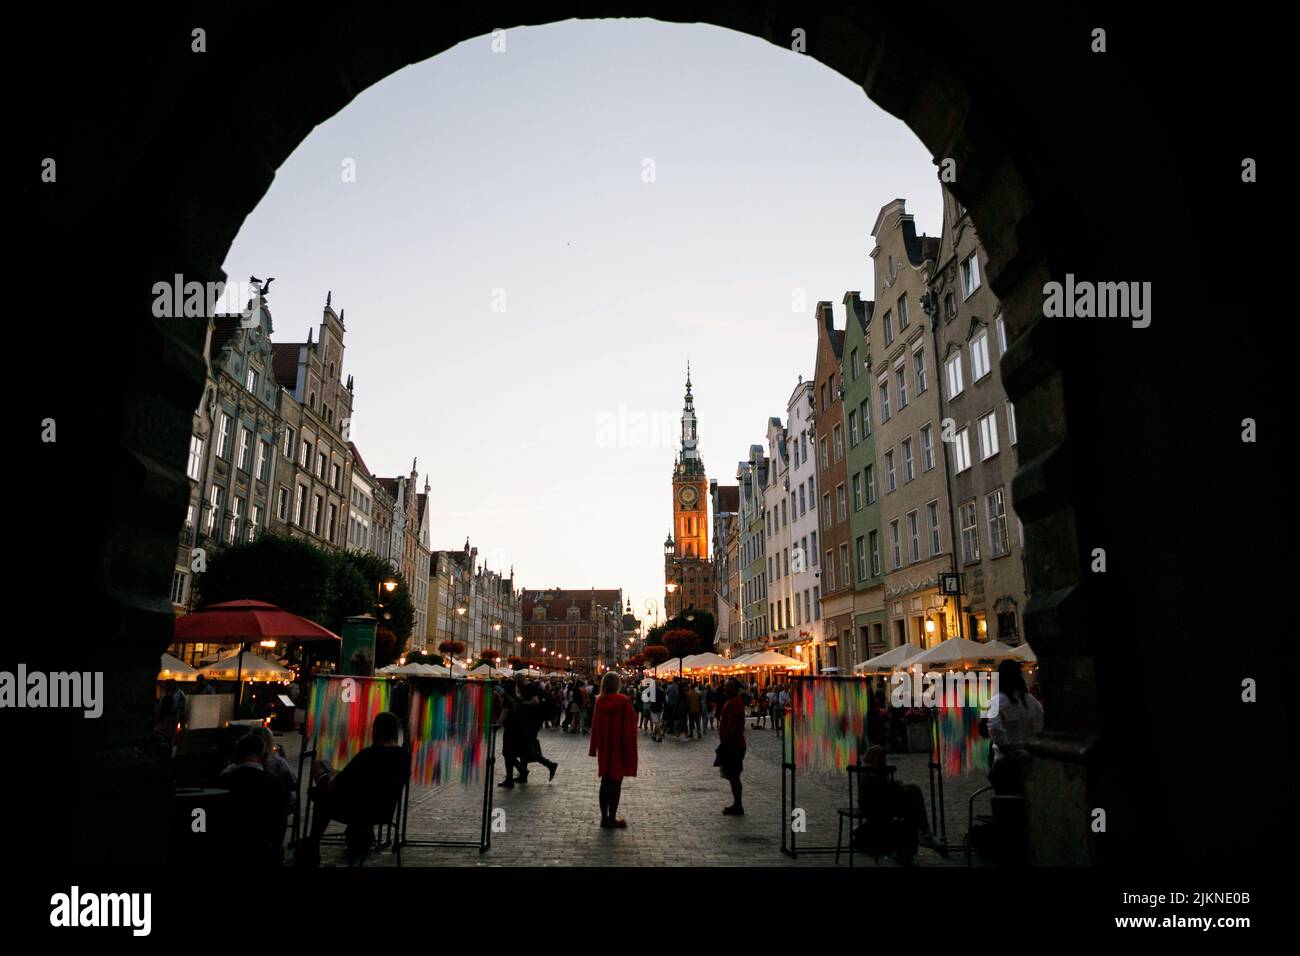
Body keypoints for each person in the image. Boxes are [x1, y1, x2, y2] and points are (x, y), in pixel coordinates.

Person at [296, 711, 409, 865]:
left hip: (356, 810)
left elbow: (338, 784)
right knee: (323, 786)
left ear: (376, 730)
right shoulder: (402, 757)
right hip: (383, 811)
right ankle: (356, 835)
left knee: (320, 787)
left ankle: (312, 844)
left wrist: (331, 776)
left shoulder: (368, 756)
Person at [855, 745, 943, 860]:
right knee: (913, 800)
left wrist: (895, 785)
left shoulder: (865, 771)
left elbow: (882, 790)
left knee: (912, 803)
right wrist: (896, 786)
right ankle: (920, 837)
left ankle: (909, 847)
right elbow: (882, 792)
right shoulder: (874, 772)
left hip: (876, 804)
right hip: (878, 806)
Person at [217, 731, 290, 866]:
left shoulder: (222, 782)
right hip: (261, 850)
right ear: (264, 757)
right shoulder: (275, 785)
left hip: (227, 850)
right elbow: (280, 822)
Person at [986, 660, 1044, 795]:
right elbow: (1039, 725)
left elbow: (995, 727)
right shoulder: (1032, 701)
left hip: (1006, 764)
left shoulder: (997, 701)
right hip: (1029, 760)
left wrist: (1006, 747)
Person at [588, 672, 638, 828]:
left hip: (604, 746)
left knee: (605, 781)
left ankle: (604, 818)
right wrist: (630, 750)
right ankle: (612, 817)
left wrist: (593, 748)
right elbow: (630, 728)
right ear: (617, 684)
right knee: (616, 783)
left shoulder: (599, 701)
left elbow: (594, 725)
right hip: (619, 747)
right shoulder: (624, 702)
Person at [516, 677, 559, 783]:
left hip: (533, 721)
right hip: (533, 721)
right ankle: (523, 774)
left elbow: (535, 701)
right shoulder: (530, 687)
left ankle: (550, 764)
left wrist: (523, 703)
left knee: (527, 748)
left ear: (519, 681)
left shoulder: (529, 688)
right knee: (524, 746)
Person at [715, 678, 747, 815]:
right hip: (733, 744)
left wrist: (726, 744)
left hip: (734, 745)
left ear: (735, 688)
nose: (726, 688)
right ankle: (736, 804)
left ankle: (738, 805)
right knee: (732, 775)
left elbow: (732, 725)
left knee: (734, 776)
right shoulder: (732, 701)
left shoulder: (734, 703)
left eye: (729, 687)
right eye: (726, 686)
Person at [496, 681, 525, 786]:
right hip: (519, 728)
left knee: (507, 753)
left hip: (510, 729)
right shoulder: (519, 698)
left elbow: (503, 715)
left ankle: (510, 778)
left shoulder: (507, 700)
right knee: (511, 753)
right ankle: (519, 771)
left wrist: (497, 725)